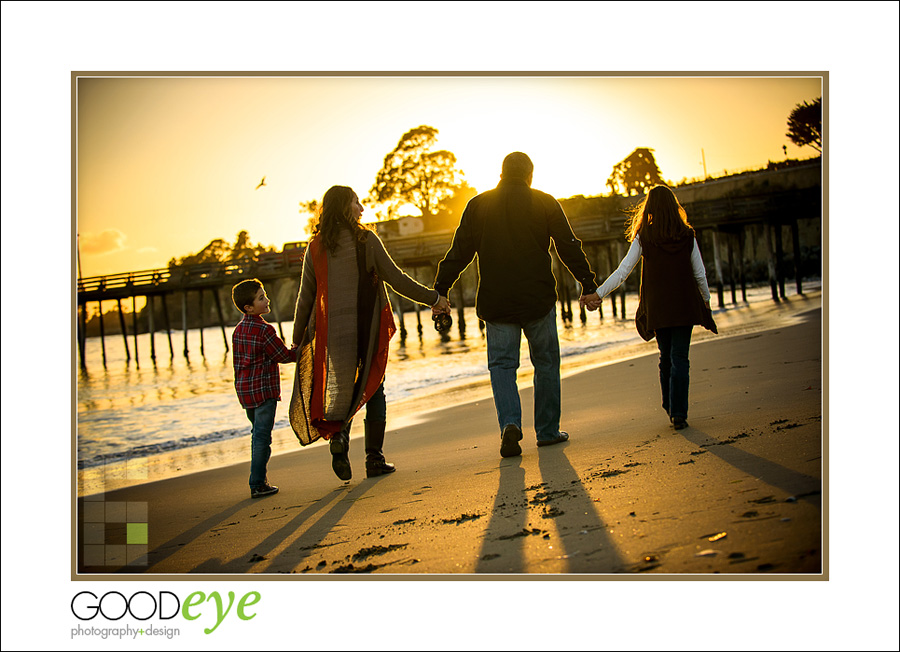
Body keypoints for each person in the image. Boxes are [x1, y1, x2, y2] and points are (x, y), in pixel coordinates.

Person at [433, 152, 598, 458]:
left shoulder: (477, 205)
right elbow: (567, 246)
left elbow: (459, 252)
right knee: (546, 363)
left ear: (501, 173)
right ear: (529, 175)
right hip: (537, 299)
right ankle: (548, 431)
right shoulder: (545, 201)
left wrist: (440, 290)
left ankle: (510, 424)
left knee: (502, 367)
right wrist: (587, 284)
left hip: (497, 303)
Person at [290, 185, 442, 481]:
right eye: (356, 202)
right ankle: (374, 458)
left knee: (345, 389)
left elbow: (305, 299)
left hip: (331, 334)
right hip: (366, 328)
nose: (362, 208)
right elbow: (396, 278)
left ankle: (339, 439)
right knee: (374, 388)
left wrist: (298, 339)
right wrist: (434, 299)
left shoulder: (316, 246)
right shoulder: (365, 240)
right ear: (346, 208)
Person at [581, 184, 717, 430]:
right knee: (680, 358)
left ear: (650, 208)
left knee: (666, 357)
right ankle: (679, 412)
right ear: (673, 206)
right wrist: (705, 299)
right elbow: (700, 273)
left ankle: (670, 406)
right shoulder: (687, 235)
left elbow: (623, 271)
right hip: (685, 304)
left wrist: (597, 293)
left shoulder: (645, 237)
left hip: (658, 306)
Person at [231, 278, 298, 498]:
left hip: (245, 392)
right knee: (262, 437)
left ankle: (259, 480)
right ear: (248, 308)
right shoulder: (264, 330)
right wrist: (302, 349)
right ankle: (258, 483)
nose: (267, 299)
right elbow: (283, 356)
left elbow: (239, 363)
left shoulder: (238, 331)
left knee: (257, 433)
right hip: (264, 391)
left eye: (265, 294)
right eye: (261, 298)